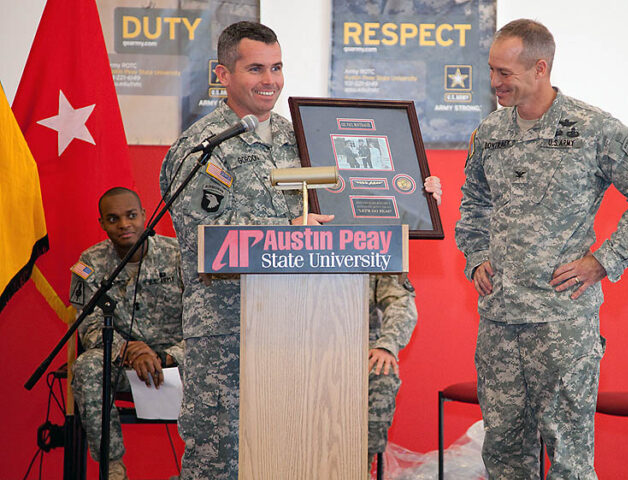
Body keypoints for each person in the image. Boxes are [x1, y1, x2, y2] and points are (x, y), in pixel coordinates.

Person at [160, 21, 442, 479]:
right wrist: (286, 228)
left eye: (276, 67)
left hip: (304, 333)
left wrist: (413, 196)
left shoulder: (303, 138)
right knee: (222, 462)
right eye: (255, 68)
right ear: (223, 73)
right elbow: (203, 239)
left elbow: (348, 206)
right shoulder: (203, 147)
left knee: (297, 453)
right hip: (228, 334)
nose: (270, 80)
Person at [455, 19, 628, 479]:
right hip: (499, 322)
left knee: (569, 459)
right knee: (505, 457)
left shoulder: (594, 129)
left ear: (540, 67)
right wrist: (475, 257)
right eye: (492, 71)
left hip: (562, 323)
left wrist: (604, 260)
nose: (495, 83)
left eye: (505, 74)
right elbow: (472, 203)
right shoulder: (490, 132)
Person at [69, 187, 184, 480]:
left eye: (131, 215)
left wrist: (166, 355)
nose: (124, 225)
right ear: (102, 223)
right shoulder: (89, 263)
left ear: (144, 216)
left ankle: (203, 471)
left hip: (178, 365)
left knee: (223, 361)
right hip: (124, 365)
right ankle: (112, 468)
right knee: (87, 366)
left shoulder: (179, 255)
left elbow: (203, 322)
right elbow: (89, 326)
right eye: (113, 218)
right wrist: (129, 350)